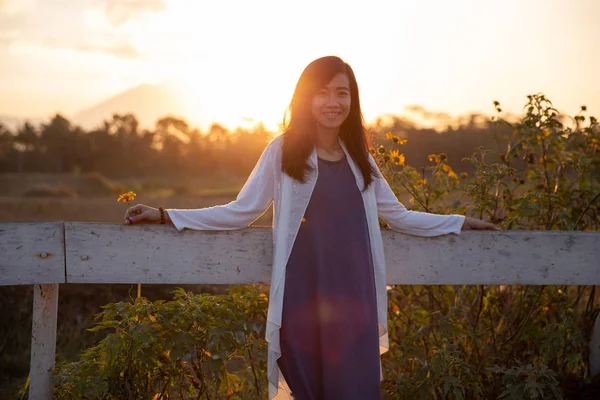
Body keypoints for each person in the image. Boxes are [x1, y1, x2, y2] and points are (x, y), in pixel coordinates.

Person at [124, 55, 499, 400]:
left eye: (342, 93)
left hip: (356, 301)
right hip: (301, 300)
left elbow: (398, 216)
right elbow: (242, 211)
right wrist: (165, 214)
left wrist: (461, 222)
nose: (333, 102)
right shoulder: (283, 151)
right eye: (322, 93)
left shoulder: (360, 159)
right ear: (305, 98)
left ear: (353, 100)